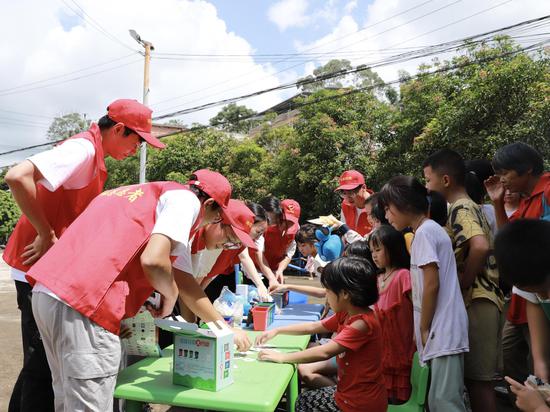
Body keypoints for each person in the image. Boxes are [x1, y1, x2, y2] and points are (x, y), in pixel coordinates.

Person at [26, 169, 253, 411]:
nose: (207, 224)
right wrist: (170, 294)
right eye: (216, 219)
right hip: (83, 303)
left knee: (66, 398)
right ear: (208, 204)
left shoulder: (130, 193)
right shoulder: (185, 200)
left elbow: (177, 277)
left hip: (48, 292)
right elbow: (154, 261)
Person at [3, 99, 164, 412]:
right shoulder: (84, 150)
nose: (137, 149)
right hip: (35, 268)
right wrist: (46, 234)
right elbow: (17, 176)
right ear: (119, 129)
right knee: (40, 369)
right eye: (137, 140)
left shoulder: (94, 157)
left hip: (45, 272)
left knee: (39, 366)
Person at [380, 175, 469, 412]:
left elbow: (431, 285)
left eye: (388, 209)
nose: (387, 216)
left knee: (445, 402)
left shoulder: (426, 233)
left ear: (403, 204)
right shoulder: (425, 231)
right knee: (437, 401)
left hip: (442, 330)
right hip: (437, 331)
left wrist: (423, 327)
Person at [424, 149, 504, 412]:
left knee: (479, 383)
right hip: (483, 299)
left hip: (479, 298)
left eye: (428, 179)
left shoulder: (460, 207)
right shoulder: (469, 205)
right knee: (478, 382)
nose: (426, 185)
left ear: (445, 180)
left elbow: (479, 246)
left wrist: (465, 281)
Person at [257, 257, 388, 412]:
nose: (325, 295)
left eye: (328, 291)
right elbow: (314, 326)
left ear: (345, 293)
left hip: (360, 404)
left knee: (303, 404)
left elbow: (325, 352)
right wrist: (277, 330)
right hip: (347, 394)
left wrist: (283, 357)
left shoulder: (362, 324)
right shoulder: (347, 313)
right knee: (303, 400)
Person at [485, 142, 550, 386]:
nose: (502, 180)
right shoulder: (525, 202)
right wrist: (497, 204)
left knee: (539, 364)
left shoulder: (548, 193)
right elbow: (508, 242)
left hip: (541, 297)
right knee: (510, 361)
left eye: (506, 173)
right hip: (524, 299)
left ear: (527, 170)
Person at [495, 219, 550, 412]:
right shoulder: (532, 279)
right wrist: (541, 382)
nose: (544, 298)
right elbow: (541, 358)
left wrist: (537, 407)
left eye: (543, 291)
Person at [369, 225, 415, 404]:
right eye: (371, 250)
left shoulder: (403, 276)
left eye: (378, 249)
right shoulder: (377, 279)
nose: (374, 255)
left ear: (393, 248)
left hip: (402, 353)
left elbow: (419, 309)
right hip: (380, 355)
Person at [201, 201, 270, 302]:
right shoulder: (212, 241)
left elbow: (204, 281)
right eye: (258, 232)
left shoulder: (238, 245)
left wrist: (261, 285)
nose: (258, 237)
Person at [258, 197, 301, 285]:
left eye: (290, 222)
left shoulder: (294, 230)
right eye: (284, 220)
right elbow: (258, 253)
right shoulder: (262, 227)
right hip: (256, 271)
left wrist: (279, 270)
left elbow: (289, 254)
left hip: (275, 271)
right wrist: (270, 276)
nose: (287, 225)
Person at [334, 170, 374, 236]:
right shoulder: (345, 204)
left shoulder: (377, 206)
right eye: (344, 193)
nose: (347, 198)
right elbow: (344, 234)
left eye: (351, 193)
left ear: (363, 188)